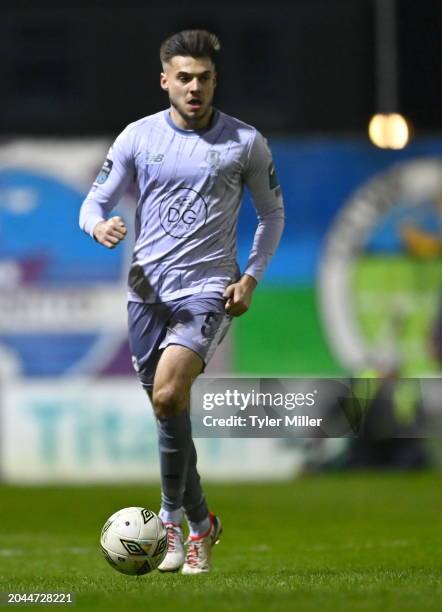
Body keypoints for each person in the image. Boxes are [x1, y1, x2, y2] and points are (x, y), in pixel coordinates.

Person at [79, 29, 284, 574]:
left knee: (170, 395)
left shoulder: (244, 142)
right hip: (146, 292)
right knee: (168, 413)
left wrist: (252, 278)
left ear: (216, 80)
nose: (195, 87)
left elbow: (272, 215)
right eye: (185, 78)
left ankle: (170, 521)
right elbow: (93, 201)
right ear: (165, 80)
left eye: (205, 78)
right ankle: (203, 523)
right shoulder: (138, 138)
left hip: (208, 290)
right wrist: (98, 225)